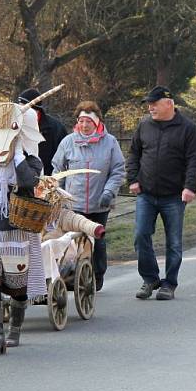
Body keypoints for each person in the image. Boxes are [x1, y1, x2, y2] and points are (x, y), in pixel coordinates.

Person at [0, 82, 60, 356]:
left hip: (16, 230)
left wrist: (16, 156)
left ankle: (15, 328)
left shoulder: (32, 160)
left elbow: (29, 184)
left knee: (17, 286)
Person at [127, 86, 196, 301]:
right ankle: (150, 278)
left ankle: (169, 284)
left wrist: (190, 187)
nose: (150, 107)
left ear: (168, 103)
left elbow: (194, 160)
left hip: (174, 196)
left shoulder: (188, 128)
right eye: (148, 104)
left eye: (154, 103)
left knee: (174, 242)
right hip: (146, 193)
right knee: (141, 234)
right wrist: (132, 179)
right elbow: (133, 153)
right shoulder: (144, 125)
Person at [52, 101, 126, 291]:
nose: (85, 125)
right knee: (72, 240)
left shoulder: (109, 142)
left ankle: (98, 274)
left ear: (97, 122)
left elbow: (117, 170)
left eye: (89, 122)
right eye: (81, 121)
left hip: (99, 202)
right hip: (73, 204)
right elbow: (57, 171)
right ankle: (73, 274)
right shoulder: (68, 142)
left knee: (97, 239)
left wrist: (109, 192)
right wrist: (57, 196)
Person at [18, 88, 68, 175]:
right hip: (20, 180)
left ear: (35, 111)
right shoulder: (15, 126)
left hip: (46, 180)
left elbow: (63, 159)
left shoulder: (56, 129)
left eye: (24, 110)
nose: (20, 113)